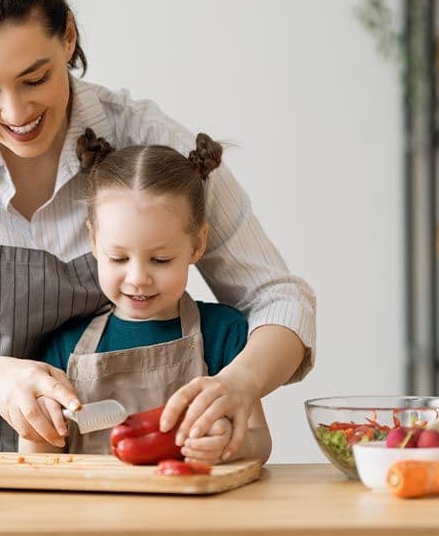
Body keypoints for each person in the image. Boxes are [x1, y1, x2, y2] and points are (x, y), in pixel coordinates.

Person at [0, 0, 315, 457]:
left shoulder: (148, 140)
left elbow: (278, 297)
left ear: (69, 36)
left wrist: (240, 384)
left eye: (35, 78)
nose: (15, 111)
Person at [18, 130, 272, 464]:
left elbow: (259, 441)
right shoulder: (65, 345)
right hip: (89, 515)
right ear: (94, 242)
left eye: (161, 259)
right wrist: (36, 429)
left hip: (195, 512)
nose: (138, 279)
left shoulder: (223, 332)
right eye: (119, 258)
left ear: (197, 244)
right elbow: (41, 460)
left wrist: (228, 445)